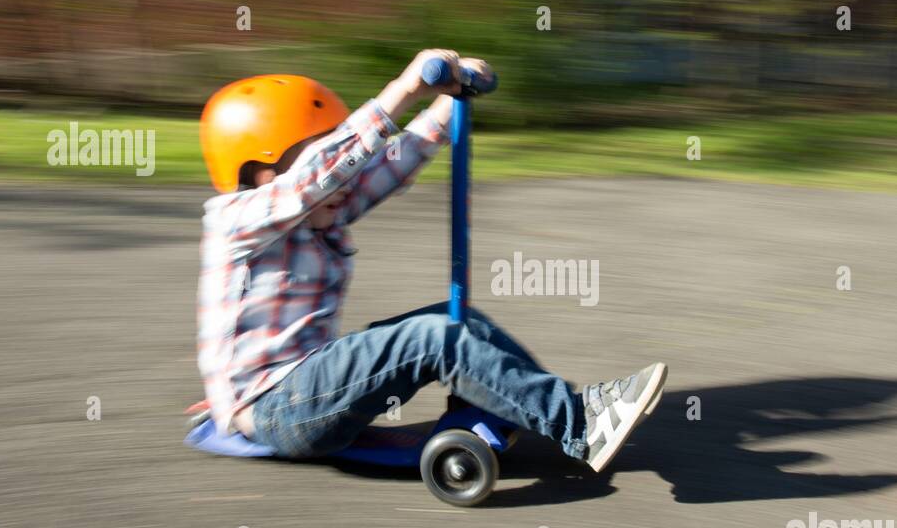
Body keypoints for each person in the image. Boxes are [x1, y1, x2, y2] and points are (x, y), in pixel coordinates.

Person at [196, 49, 667, 473]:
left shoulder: (320, 212)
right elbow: (318, 178)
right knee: (430, 340)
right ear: (261, 173)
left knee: (456, 320)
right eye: (329, 159)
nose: (345, 181)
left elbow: (381, 168)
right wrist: (403, 90)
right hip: (281, 407)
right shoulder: (236, 221)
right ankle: (582, 425)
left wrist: (447, 104)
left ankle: (523, 401)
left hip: (307, 387)